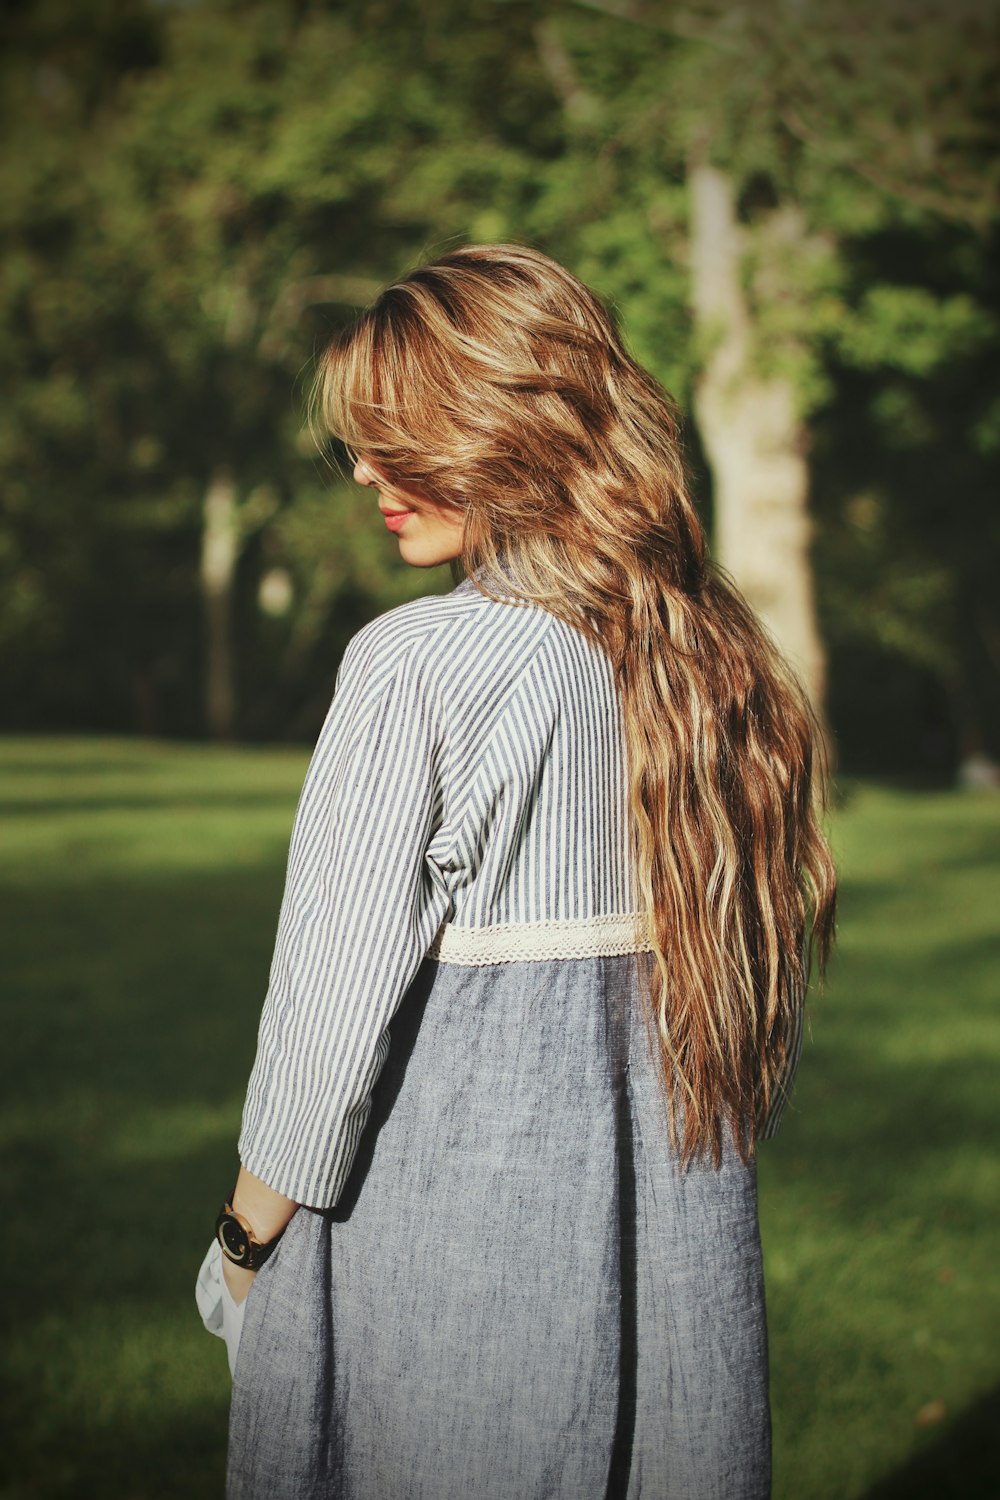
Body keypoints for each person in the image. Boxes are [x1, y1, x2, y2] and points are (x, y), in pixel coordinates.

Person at [198, 243, 836, 1499]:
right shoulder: (712, 671)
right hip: (667, 1267)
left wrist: (238, 1250)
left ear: (512, 429)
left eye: (405, 440)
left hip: (446, 1264)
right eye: (359, 447)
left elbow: (326, 1026)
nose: (370, 476)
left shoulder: (421, 665)